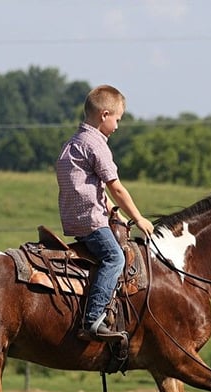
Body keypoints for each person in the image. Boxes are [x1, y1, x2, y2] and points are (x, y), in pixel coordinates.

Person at [56, 85, 154, 341]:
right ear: (105, 114)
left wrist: (113, 211)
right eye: (117, 119)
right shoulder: (97, 145)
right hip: (91, 221)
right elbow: (116, 187)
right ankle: (93, 318)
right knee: (115, 258)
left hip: (76, 219)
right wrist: (139, 218)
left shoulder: (74, 143)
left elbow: (88, 187)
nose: (118, 126)